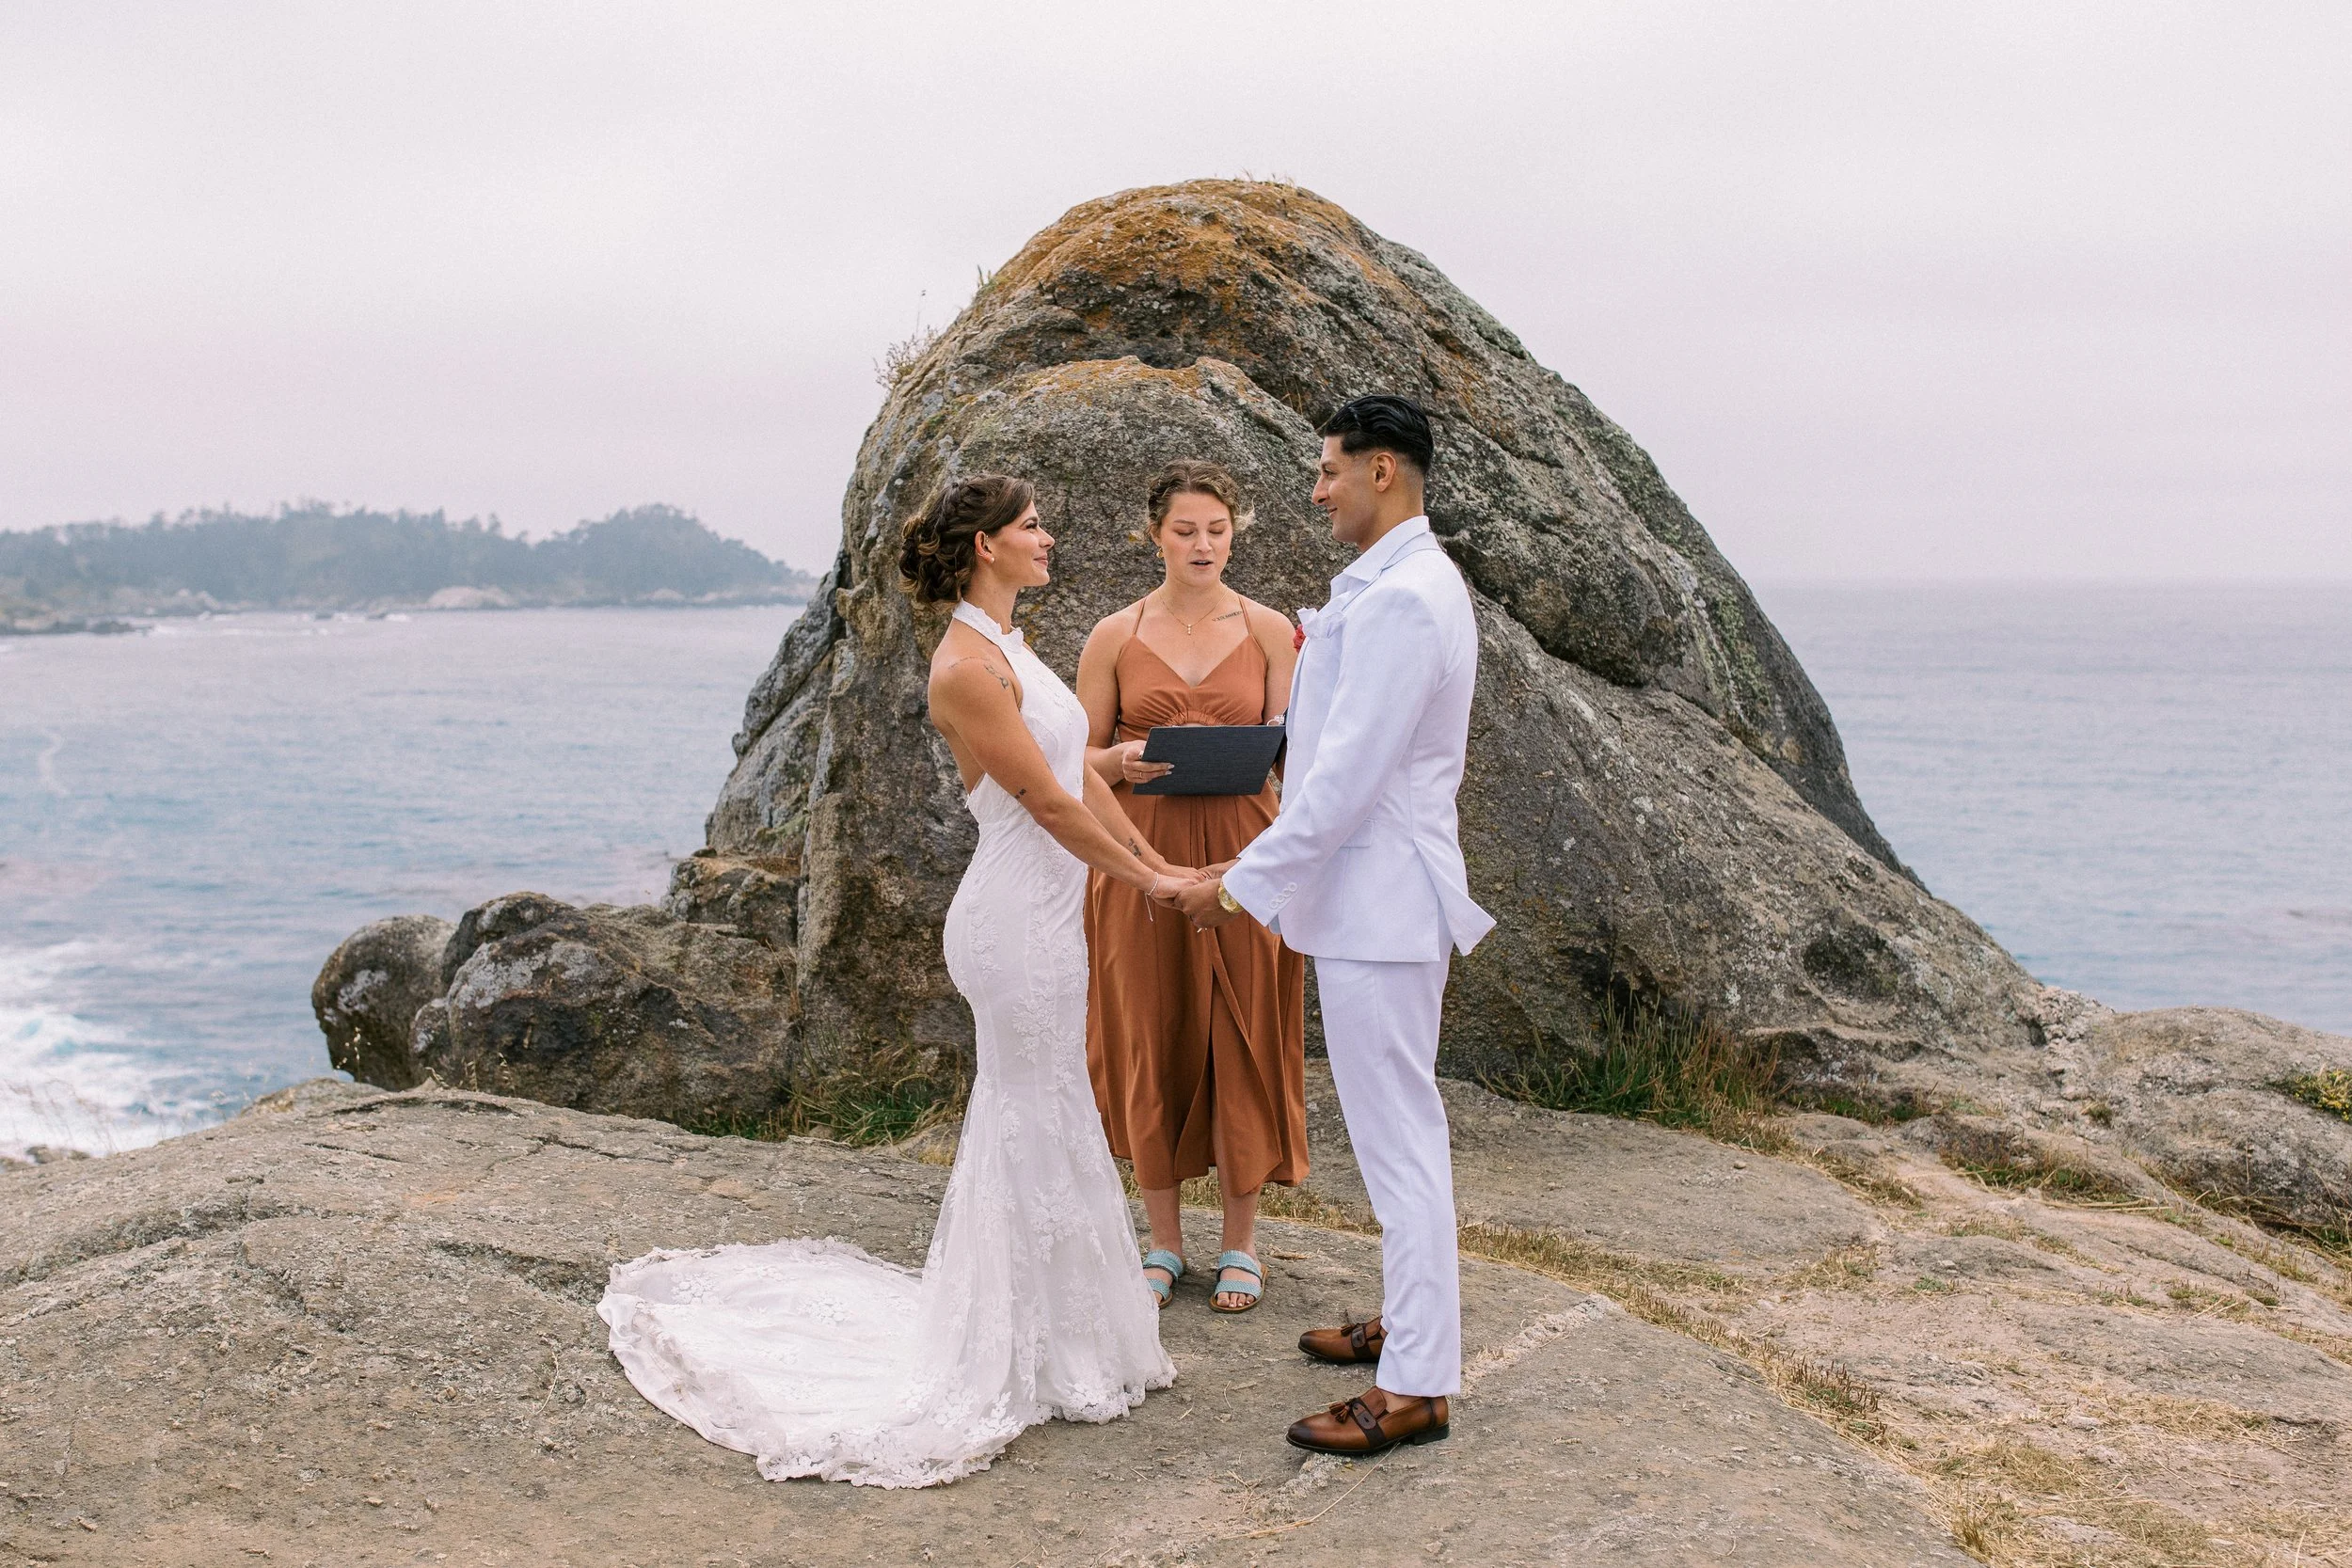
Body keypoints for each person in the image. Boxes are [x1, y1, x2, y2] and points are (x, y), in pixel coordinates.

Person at [598, 474, 1194, 1488]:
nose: (1049, 537)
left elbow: (1075, 771)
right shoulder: (962, 666)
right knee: (1028, 1110)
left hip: (1052, 916)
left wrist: (1144, 833)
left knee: (1053, 1105)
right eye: (1031, 526)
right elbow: (1045, 804)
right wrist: (1153, 879)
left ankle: (1067, 1339)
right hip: (1011, 921)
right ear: (983, 548)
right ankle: (1011, 1353)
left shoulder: (1009, 646)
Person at [1174, 396, 1494, 1458]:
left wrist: (1231, 882)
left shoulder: (1407, 599)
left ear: (1384, 471)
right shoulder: (1396, 585)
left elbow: (1348, 779)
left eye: (1328, 470)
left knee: (1401, 1144)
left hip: (1381, 901)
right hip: (1369, 899)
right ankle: (1411, 1324)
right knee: (1398, 1135)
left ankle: (1413, 1389)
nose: (1316, 489)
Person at [1075, 459, 1306, 1316]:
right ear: (1154, 534)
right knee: (1151, 1029)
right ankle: (1164, 1239)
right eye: (1185, 530)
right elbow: (1074, 761)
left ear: (1235, 531)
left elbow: (1298, 757)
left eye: (1216, 528)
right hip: (1141, 851)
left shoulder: (1273, 632)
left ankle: (1241, 1242)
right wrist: (1122, 759)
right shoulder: (1113, 635)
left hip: (1247, 854)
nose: (1202, 544)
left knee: (1245, 1032)